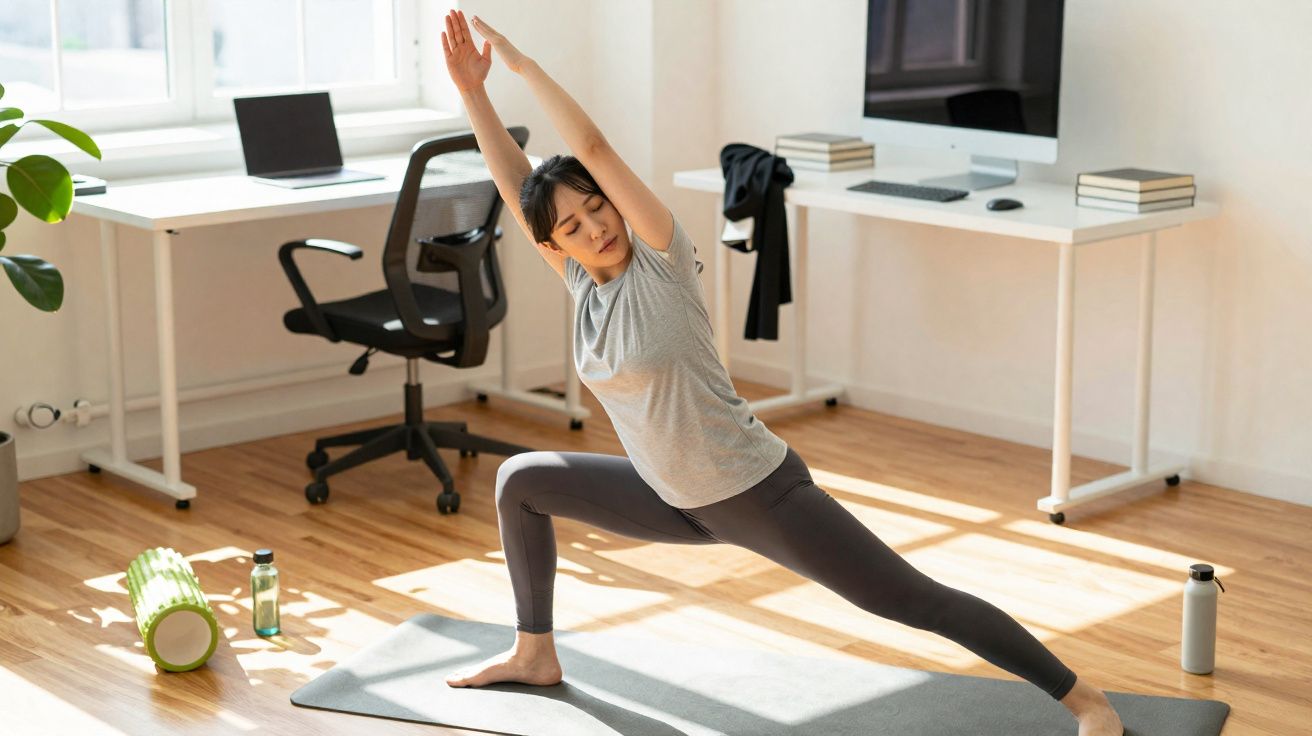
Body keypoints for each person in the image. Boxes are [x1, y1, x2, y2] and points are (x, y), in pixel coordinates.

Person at [437, 10, 1124, 736]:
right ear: (556, 245)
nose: (595, 227)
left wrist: (518, 66)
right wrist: (471, 94)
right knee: (522, 483)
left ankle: (1085, 699)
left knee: (912, 599)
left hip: (755, 490)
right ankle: (534, 653)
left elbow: (593, 145)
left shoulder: (659, 261)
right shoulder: (582, 284)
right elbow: (516, 189)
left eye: (597, 205)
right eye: (571, 226)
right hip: (670, 496)